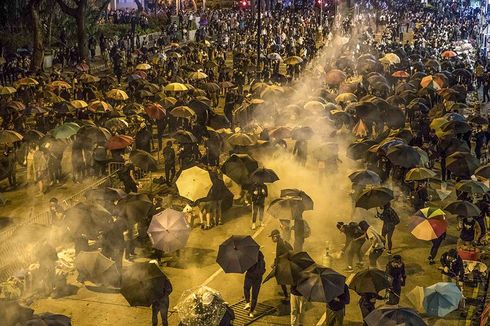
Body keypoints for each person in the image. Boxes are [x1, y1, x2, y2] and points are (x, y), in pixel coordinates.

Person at [270, 229, 292, 298]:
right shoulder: (281, 241)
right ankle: (287, 294)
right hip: (285, 262)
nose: (272, 239)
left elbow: (282, 254)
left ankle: (287, 295)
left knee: (282, 279)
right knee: (283, 279)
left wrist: (276, 263)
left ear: (276, 236)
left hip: (284, 263)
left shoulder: (280, 243)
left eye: (272, 237)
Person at [244, 250, 265, 318]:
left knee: (246, 288)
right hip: (258, 278)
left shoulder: (250, 260)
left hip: (249, 276)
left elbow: (247, 268)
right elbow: (263, 270)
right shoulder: (262, 261)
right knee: (254, 296)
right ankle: (251, 312)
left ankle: (247, 303)